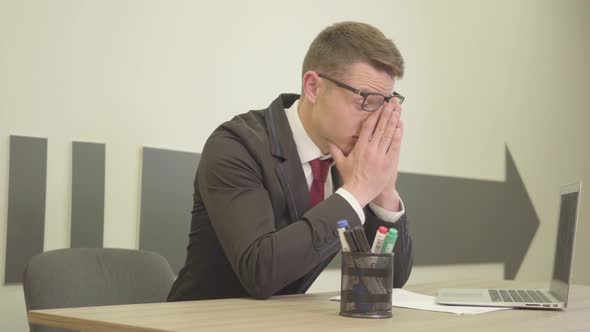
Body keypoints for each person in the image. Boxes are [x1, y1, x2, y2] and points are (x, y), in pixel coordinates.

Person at [168, 21, 413, 301]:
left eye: (384, 104)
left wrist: (383, 191)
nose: (374, 120)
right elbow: (260, 272)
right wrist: (356, 192)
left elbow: (391, 282)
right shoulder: (235, 145)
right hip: (201, 321)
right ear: (313, 87)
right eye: (365, 100)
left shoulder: (351, 160)